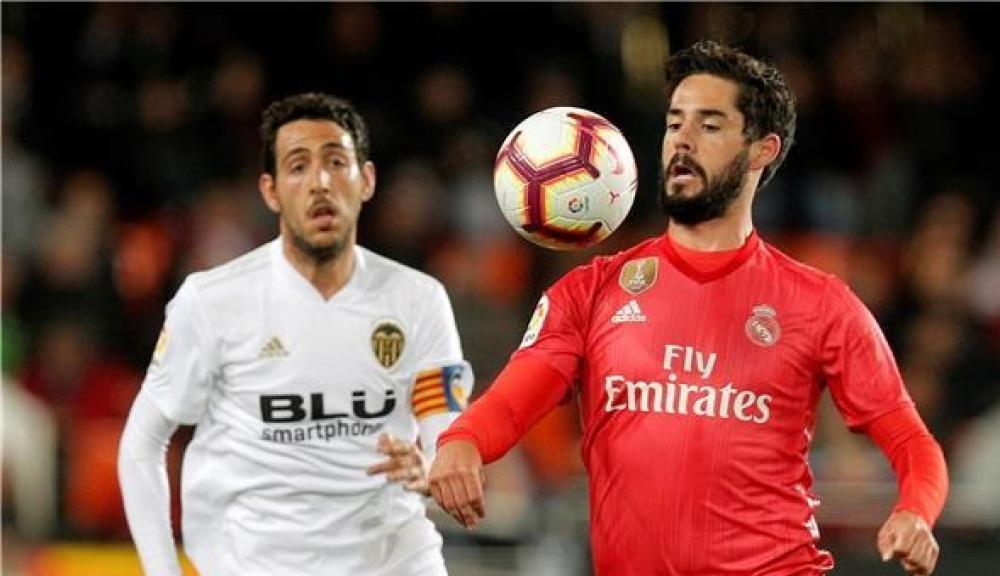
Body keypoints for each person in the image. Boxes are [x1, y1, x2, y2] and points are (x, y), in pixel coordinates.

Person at [428, 41, 948, 576]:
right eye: (675, 123)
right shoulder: (591, 292)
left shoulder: (820, 304)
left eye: (710, 125)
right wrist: (463, 441)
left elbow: (912, 441)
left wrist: (915, 511)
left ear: (761, 150)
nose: (682, 139)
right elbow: (512, 403)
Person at [118, 93, 473, 576]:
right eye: (298, 166)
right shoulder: (212, 302)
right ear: (271, 191)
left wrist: (432, 469)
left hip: (397, 561)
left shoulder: (417, 299)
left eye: (336, 163)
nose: (320, 182)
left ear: (367, 180)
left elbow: (445, 439)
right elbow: (142, 442)